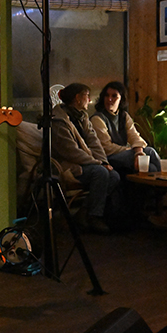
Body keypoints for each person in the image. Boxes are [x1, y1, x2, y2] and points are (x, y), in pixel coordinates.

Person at [50, 83, 120, 234]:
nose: (89, 100)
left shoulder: (82, 117)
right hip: (68, 166)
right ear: (77, 98)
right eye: (87, 96)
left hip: (86, 163)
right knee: (100, 172)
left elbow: (94, 142)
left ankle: (84, 212)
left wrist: (103, 161)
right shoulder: (59, 121)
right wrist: (98, 163)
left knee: (114, 175)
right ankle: (94, 217)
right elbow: (71, 152)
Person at [91, 81, 162, 174]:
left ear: (121, 99)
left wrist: (139, 152)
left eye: (114, 96)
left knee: (151, 158)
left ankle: (162, 180)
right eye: (107, 96)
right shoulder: (97, 118)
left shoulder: (124, 116)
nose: (109, 99)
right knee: (148, 157)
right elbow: (107, 147)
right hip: (108, 157)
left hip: (125, 153)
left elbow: (134, 136)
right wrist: (131, 150)